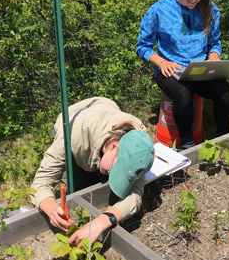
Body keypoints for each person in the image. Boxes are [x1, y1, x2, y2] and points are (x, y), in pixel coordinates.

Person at [136, 0, 229, 148]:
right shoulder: (159, 10)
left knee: (225, 93)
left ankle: (224, 139)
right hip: (170, 70)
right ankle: (188, 144)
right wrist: (161, 62)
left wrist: (214, 56)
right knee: (184, 93)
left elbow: (214, 42)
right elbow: (142, 46)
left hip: (200, 70)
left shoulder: (211, 10)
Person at [30, 97, 154, 244]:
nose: (113, 175)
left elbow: (135, 195)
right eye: (115, 169)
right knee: (76, 190)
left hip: (105, 110)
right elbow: (39, 184)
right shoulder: (71, 136)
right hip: (73, 120)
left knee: (100, 190)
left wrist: (104, 220)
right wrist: (51, 209)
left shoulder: (139, 145)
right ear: (114, 146)